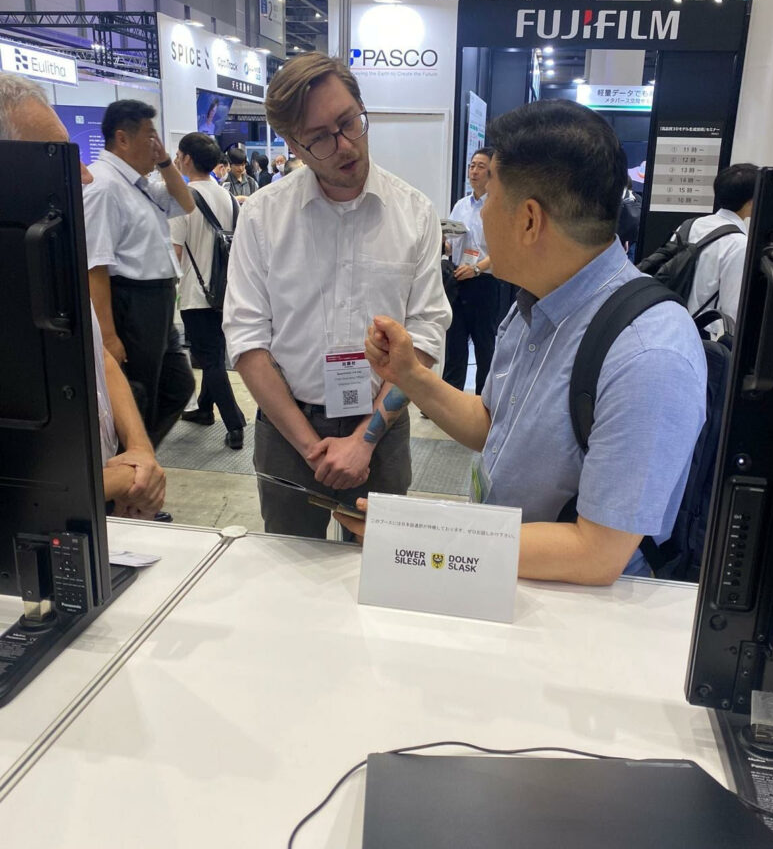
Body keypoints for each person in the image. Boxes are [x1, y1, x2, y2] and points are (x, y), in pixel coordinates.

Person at [337, 100, 707, 586]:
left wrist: (419, 536)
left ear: (529, 220)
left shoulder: (648, 354)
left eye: (490, 196)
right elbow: (493, 426)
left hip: (574, 607)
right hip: (506, 574)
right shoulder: (536, 303)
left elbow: (596, 554)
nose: (482, 211)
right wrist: (409, 375)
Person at [222, 51, 451, 539]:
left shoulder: (414, 214)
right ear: (294, 145)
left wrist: (363, 441)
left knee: (381, 565)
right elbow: (245, 339)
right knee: (289, 565)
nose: (345, 145)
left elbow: (427, 333)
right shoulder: (262, 216)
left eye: (350, 122)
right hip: (287, 428)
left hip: (381, 427)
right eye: (320, 137)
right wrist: (311, 447)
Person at [0, 72, 166, 518]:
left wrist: (140, 450)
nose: (85, 176)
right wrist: (118, 480)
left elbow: (98, 358)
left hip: (95, 497)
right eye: (57, 156)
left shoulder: (48, 256)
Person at [82, 99, 196, 448]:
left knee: (177, 386)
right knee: (137, 397)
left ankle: (139, 461)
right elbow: (95, 265)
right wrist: (108, 336)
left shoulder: (137, 182)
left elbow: (186, 203)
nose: (156, 144)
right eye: (150, 136)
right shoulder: (103, 186)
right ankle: (130, 469)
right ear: (122, 138)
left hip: (157, 305)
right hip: (130, 304)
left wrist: (165, 162)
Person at [170, 132, 246, 449]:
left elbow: (174, 254)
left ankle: (235, 424)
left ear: (187, 159)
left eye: (178, 155)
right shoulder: (226, 196)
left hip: (196, 294)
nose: (176, 160)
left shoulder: (182, 198)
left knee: (211, 361)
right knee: (214, 352)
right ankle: (204, 409)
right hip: (226, 293)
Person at [442, 147, 500, 394]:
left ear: (492, 172)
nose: (474, 171)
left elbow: (502, 251)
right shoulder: (461, 205)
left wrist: (476, 268)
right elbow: (452, 244)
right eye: (472, 165)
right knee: (454, 343)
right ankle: (449, 397)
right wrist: (442, 243)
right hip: (457, 279)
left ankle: (483, 399)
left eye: (480, 167)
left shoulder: (498, 208)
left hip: (484, 283)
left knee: (484, 344)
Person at [676, 162, 758, 328]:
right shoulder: (739, 244)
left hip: (673, 322)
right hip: (704, 334)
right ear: (750, 201)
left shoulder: (689, 225)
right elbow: (733, 312)